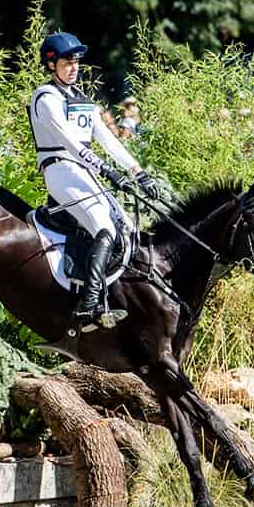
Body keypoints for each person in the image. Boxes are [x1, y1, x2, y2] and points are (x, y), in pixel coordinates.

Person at [30, 31, 155, 333]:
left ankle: (120, 298)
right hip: (60, 169)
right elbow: (70, 142)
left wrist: (137, 171)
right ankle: (88, 305)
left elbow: (109, 141)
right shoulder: (45, 97)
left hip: (83, 171)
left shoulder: (82, 101)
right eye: (67, 63)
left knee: (127, 228)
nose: (73, 67)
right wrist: (106, 170)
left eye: (76, 62)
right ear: (51, 65)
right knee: (104, 228)